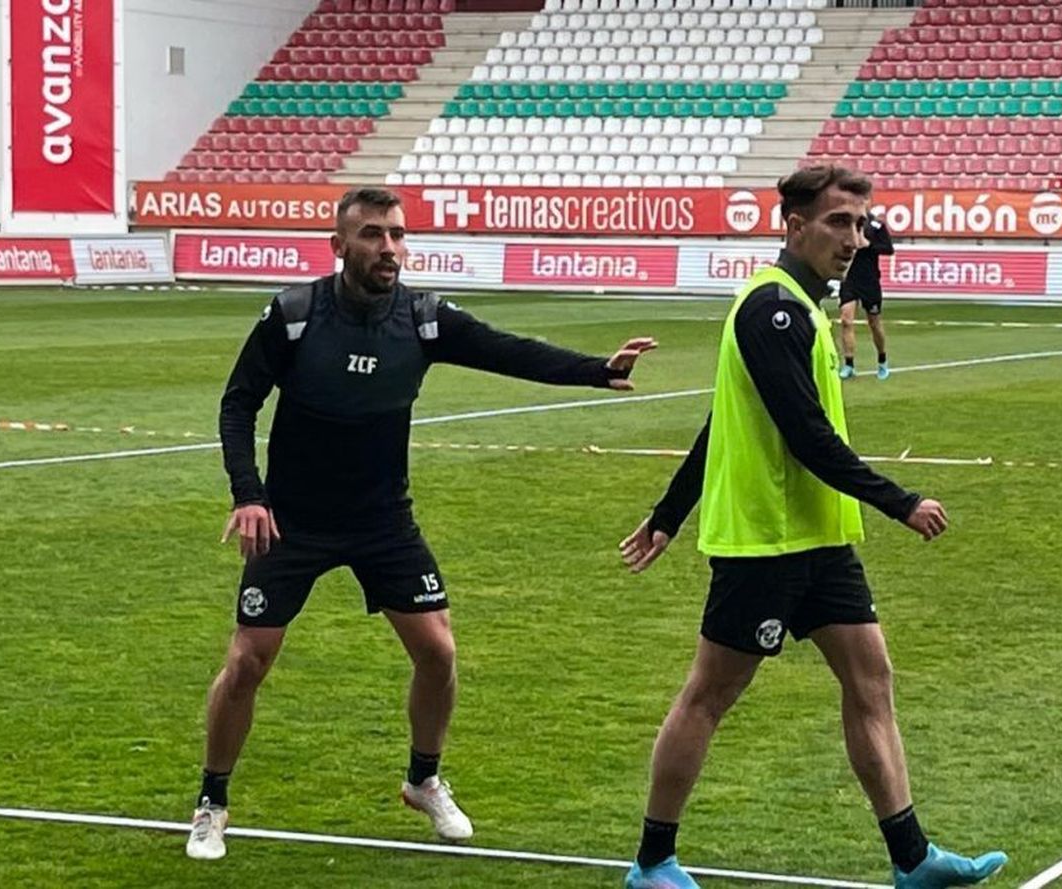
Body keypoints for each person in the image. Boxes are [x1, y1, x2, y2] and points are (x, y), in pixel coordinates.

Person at [187, 187, 657, 860]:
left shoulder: (424, 319)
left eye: (397, 234)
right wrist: (249, 495)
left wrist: (596, 371)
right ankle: (212, 801)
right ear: (339, 246)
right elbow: (238, 405)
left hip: (382, 520)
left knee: (438, 652)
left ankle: (423, 779)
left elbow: (508, 351)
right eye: (373, 234)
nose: (389, 248)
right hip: (293, 522)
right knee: (247, 661)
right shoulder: (293, 316)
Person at [617, 166, 1005, 889]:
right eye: (838, 223)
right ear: (794, 226)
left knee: (871, 679)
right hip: (765, 544)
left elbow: (725, 421)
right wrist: (900, 500)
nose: (854, 239)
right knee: (709, 695)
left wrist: (668, 514)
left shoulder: (802, 307)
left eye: (861, 224)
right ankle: (652, 861)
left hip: (820, 540)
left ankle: (912, 857)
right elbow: (805, 436)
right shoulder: (772, 310)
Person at [838, 209, 893, 381]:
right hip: (850, 280)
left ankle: (882, 360)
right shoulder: (845, 223)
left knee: (874, 323)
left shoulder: (876, 225)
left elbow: (888, 249)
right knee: (846, 320)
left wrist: (868, 245)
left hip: (869, 280)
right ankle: (849, 364)